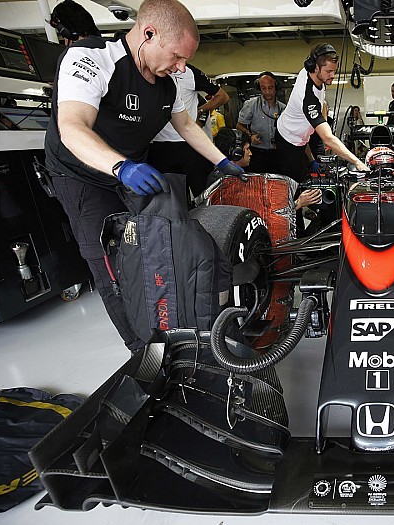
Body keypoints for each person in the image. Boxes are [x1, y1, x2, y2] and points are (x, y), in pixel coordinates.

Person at [44, 0, 245, 354]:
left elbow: (184, 124)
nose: (182, 67)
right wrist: (121, 167)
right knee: (109, 264)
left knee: (157, 244)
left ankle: (175, 328)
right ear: (148, 34)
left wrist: (221, 160)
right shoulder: (91, 59)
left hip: (130, 169)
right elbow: (72, 127)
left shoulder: (166, 82)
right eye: (177, 56)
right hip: (82, 175)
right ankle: (143, 353)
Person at [275, 43, 369, 183]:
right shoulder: (308, 98)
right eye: (328, 71)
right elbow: (328, 139)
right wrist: (357, 162)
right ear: (315, 67)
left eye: (334, 71)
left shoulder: (312, 73)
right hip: (288, 141)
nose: (332, 75)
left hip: (301, 136)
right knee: (296, 185)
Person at [148, 63, 230, 198]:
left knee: (205, 195)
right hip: (158, 145)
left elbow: (223, 96)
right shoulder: (147, 70)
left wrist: (202, 109)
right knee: (168, 200)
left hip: (191, 144)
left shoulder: (188, 72)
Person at [236, 72, 286, 173]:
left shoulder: (283, 108)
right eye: (263, 88)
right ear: (259, 88)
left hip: (277, 154)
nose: (267, 92)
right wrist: (250, 136)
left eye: (270, 87)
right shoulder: (251, 105)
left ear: (276, 87)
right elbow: (239, 126)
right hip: (257, 154)